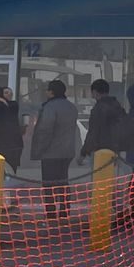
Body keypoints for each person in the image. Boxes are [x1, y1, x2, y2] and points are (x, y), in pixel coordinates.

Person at [32, 80, 78, 218]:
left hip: (51, 152)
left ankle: (51, 213)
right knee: (63, 181)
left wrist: (39, 149)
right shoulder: (71, 107)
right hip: (67, 151)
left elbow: (45, 130)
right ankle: (64, 210)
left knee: (49, 184)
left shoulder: (50, 107)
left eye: (47, 90)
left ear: (51, 92)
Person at [82, 79, 134, 160]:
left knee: (100, 172)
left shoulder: (98, 109)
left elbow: (93, 133)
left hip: (101, 152)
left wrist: (84, 152)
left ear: (94, 92)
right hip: (119, 150)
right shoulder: (118, 107)